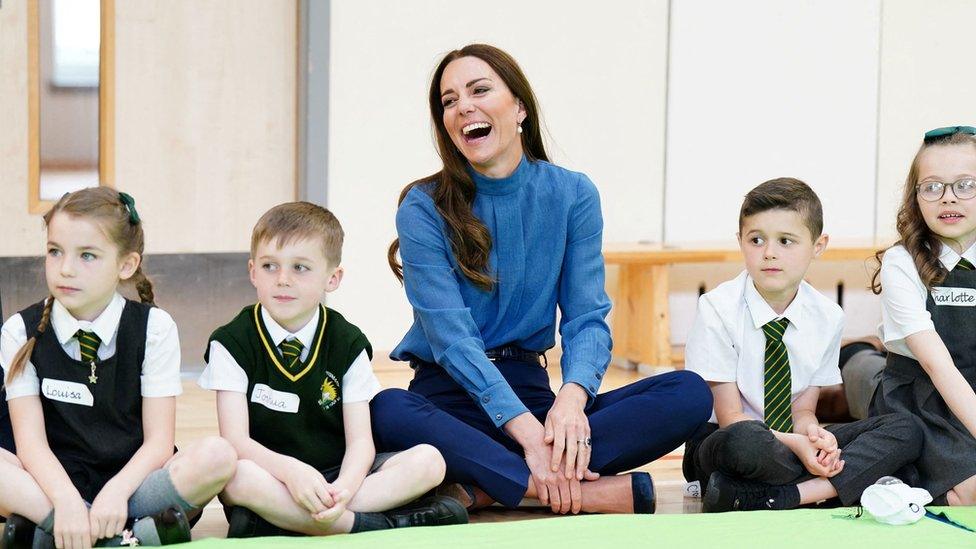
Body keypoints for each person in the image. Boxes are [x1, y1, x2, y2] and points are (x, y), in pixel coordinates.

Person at [370, 43, 712, 516]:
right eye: (449, 101)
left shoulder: (572, 194)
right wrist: (529, 437)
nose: (462, 106)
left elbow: (587, 318)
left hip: (534, 394)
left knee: (687, 392)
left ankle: (486, 486)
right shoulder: (423, 206)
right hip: (449, 397)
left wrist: (571, 401)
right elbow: (451, 340)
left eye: (479, 90)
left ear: (520, 109)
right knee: (387, 409)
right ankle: (577, 490)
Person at [201, 202, 467, 537]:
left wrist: (343, 489)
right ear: (253, 271)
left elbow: (360, 443)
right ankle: (368, 525)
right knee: (235, 476)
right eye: (270, 266)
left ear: (332, 278)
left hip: (338, 476)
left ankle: (291, 520)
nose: (282, 280)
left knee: (430, 462)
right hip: (272, 475)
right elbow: (236, 440)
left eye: (300, 268)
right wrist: (292, 471)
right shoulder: (232, 341)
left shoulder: (347, 341)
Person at [0, 188, 237, 548]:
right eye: (55, 251)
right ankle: (128, 535)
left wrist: (116, 493)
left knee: (218, 456)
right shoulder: (20, 330)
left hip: (133, 483)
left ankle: (54, 536)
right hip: (51, 483)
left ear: (126, 265)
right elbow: (30, 445)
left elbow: (158, 443)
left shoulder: (154, 328)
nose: (66, 268)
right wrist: (66, 502)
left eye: (88, 256)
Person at [682, 178, 923, 512]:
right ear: (740, 242)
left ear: (818, 245)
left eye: (786, 241)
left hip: (789, 442)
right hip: (728, 442)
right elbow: (729, 417)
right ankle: (836, 484)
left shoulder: (827, 316)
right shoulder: (717, 309)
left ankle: (782, 495)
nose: (769, 253)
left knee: (905, 428)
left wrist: (815, 436)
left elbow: (803, 411)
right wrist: (800, 446)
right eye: (756, 240)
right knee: (747, 442)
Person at [870, 125, 976, 506]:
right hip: (924, 399)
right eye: (932, 187)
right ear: (915, 197)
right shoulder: (903, 262)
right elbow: (938, 366)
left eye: (965, 184)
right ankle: (857, 359)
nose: (948, 198)